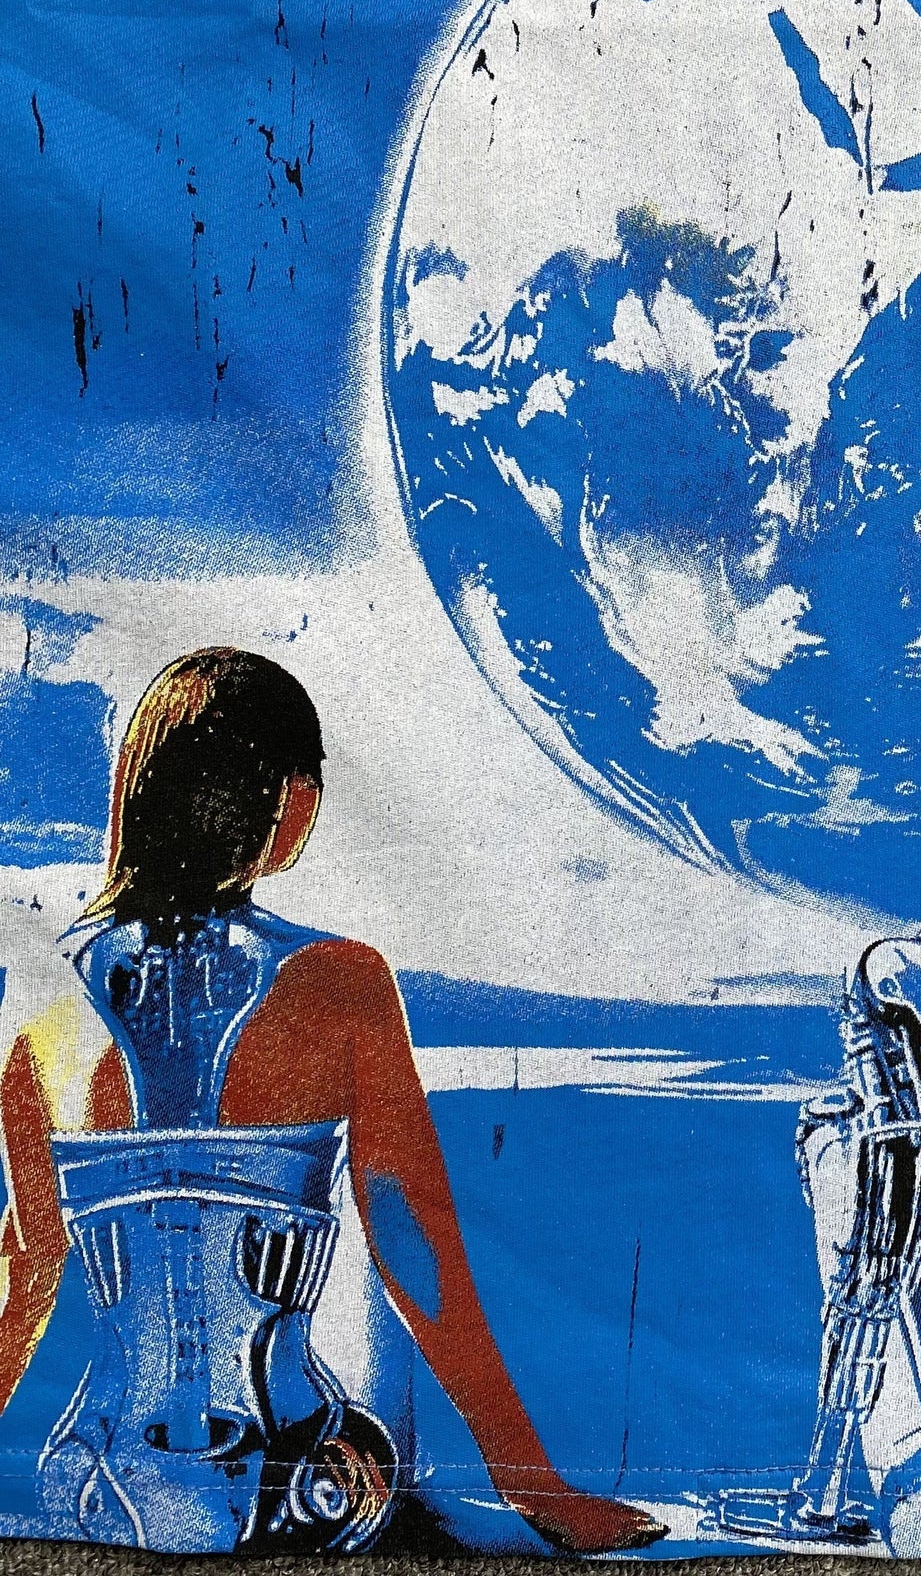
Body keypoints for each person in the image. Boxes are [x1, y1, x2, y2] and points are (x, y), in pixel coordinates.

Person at [0, 647, 664, 1555]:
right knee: (377, 1452)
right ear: (289, 803)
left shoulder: (44, 1000)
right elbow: (415, 1251)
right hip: (293, 1488)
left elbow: (26, 1266)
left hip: (96, 1482)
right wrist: (535, 1488)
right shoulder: (340, 983)